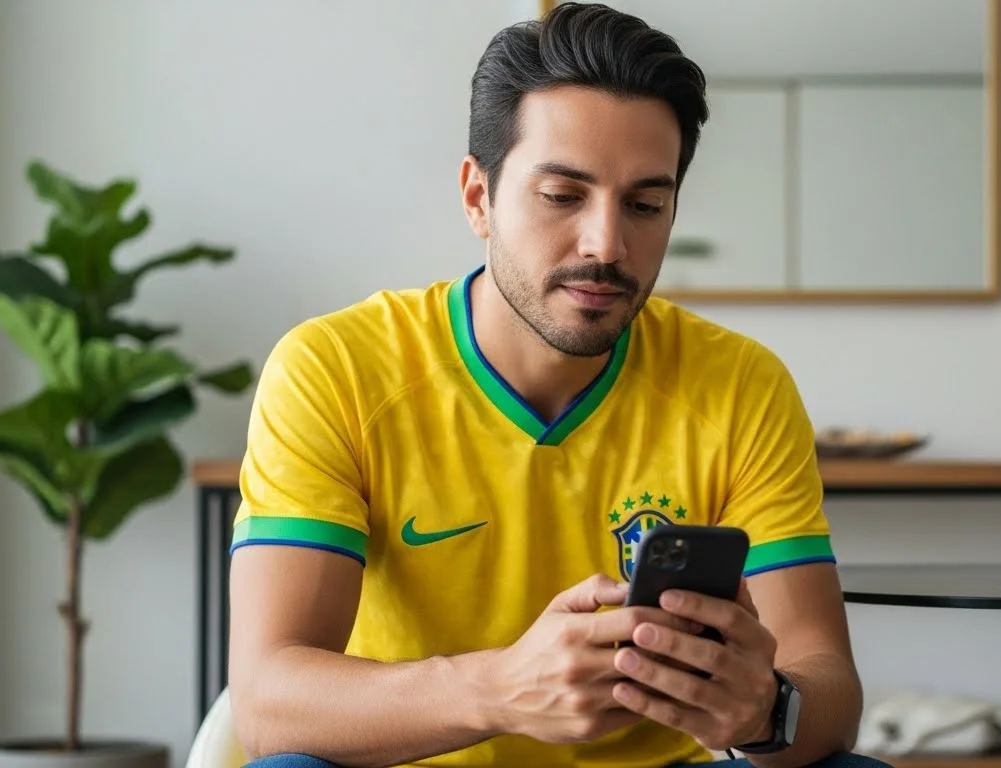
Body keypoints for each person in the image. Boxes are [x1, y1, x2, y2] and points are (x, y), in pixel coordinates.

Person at [225, 3, 889, 767]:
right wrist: (499, 689)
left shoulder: (739, 384)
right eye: (562, 195)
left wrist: (766, 709)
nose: (607, 244)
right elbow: (269, 705)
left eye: (645, 204)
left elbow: (828, 689)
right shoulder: (334, 370)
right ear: (478, 196)